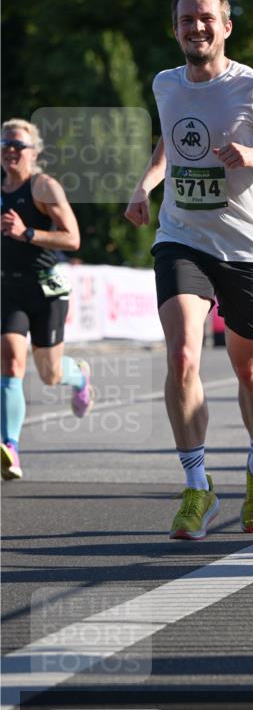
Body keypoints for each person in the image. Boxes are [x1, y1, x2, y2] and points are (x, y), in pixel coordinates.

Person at [124, 0, 253, 540]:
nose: (197, 27)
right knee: (184, 357)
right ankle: (198, 489)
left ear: (226, 25)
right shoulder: (165, 84)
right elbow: (170, 141)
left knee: (250, 370)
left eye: (207, 18)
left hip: (245, 248)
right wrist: (145, 186)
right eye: (187, 19)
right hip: (181, 237)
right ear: (176, 29)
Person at [1, 118, 93, 480]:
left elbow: (72, 240)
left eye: (18, 145)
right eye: (5, 143)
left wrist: (27, 233)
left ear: (33, 152)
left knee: (50, 374)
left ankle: (80, 376)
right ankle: (11, 447)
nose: (10, 149)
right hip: (9, 290)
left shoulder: (44, 186)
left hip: (46, 290)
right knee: (10, 362)